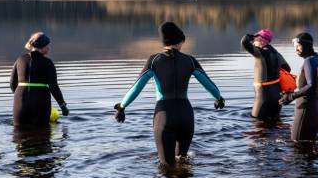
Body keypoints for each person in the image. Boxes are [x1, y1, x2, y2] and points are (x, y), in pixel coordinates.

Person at [113, 22, 225, 166]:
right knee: (183, 162)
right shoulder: (190, 61)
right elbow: (210, 85)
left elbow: (136, 88)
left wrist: (122, 107)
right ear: (181, 40)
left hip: (164, 116)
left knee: (167, 168)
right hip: (186, 116)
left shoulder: (154, 60)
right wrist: (218, 99)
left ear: (163, 42)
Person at [10, 32, 69, 126]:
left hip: (20, 102)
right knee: (42, 133)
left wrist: (21, 97)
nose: (48, 48)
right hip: (40, 102)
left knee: (19, 134)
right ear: (41, 47)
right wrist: (62, 106)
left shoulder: (20, 60)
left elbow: (12, 84)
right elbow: (53, 87)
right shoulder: (47, 63)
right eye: (47, 46)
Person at [279, 32, 318, 141]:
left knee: (296, 146)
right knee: (309, 147)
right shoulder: (317, 59)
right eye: (295, 47)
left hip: (305, 111)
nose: (296, 49)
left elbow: (311, 86)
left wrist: (291, 97)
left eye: (299, 46)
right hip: (315, 110)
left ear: (306, 45)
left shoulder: (309, 61)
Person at [241, 29, 291, 119]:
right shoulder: (277, 54)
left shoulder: (260, 53)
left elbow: (244, 42)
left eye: (255, 40)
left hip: (263, 95)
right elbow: (287, 69)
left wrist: (251, 36)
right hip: (278, 94)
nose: (253, 42)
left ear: (261, 40)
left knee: (256, 122)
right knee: (275, 122)